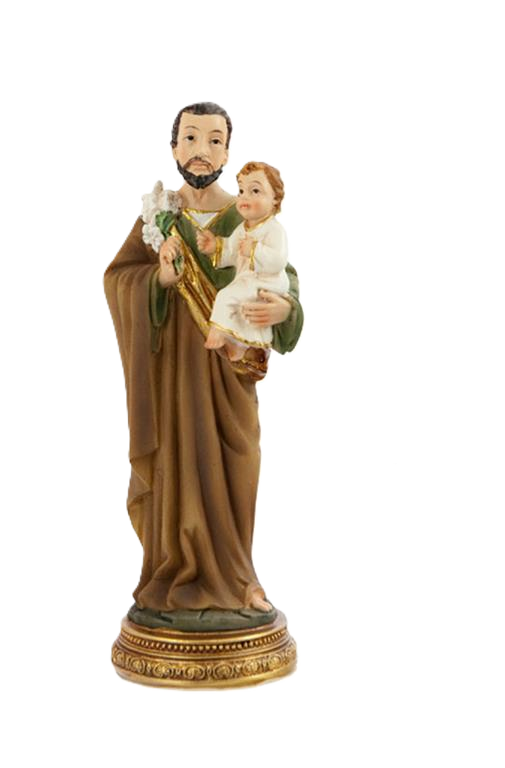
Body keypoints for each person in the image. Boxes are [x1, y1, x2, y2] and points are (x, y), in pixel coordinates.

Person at [103, 101, 303, 618]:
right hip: (172, 375)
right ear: (173, 148)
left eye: (215, 141)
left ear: (228, 152)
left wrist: (284, 310)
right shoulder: (157, 216)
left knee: (238, 465)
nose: (201, 151)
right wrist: (159, 279)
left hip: (230, 374)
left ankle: (239, 578)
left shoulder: (248, 210)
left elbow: (282, 276)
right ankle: (173, 571)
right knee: (177, 469)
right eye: (190, 138)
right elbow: (117, 278)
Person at [197, 160, 290, 361]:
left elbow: (278, 260)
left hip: (268, 281)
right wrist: (215, 247)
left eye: (255, 191)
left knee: (226, 296)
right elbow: (231, 251)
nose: (244, 197)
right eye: (240, 191)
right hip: (248, 279)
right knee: (244, 312)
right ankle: (241, 345)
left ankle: (217, 331)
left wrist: (254, 250)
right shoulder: (242, 228)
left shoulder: (274, 230)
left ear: (275, 199)